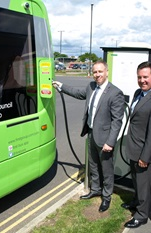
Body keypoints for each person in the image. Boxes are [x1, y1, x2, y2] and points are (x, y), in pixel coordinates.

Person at [52, 60, 125, 212]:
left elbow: (117, 121)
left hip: (105, 139)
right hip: (91, 133)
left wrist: (110, 142)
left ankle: (106, 197)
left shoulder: (115, 93)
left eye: (100, 72)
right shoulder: (91, 87)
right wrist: (61, 86)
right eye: (95, 72)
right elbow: (79, 94)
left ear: (107, 72)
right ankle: (95, 189)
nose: (97, 75)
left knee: (106, 168)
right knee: (92, 164)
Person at [122, 61, 151, 228]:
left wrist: (145, 156)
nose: (142, 80)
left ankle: (141, 215)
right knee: (137, 181)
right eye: (139, 77)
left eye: (146, 77)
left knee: (143, 184)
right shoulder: (138, 93)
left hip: (144, 153)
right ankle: (137, 201)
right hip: (133, 148)